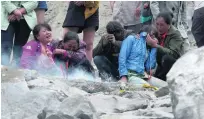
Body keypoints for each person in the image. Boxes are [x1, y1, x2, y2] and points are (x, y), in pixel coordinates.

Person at [147, 12, 184, 81]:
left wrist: (155, 45)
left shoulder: (175, 34)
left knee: (167, 58)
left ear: (169, 25)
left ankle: (163, 78)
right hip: (160, 63)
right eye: (157, 24)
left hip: (173, 64)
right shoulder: (155, 31)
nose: (159, 27)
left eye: (162, 25)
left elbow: (173, 53)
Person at [1, 1, 38, 66]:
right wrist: (14, 11)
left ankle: (15, 69)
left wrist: (19, 11)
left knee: (19, 48)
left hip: (27, 17)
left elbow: (35, 2)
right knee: (5, 46)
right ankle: (3, 67)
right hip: (7, 15)